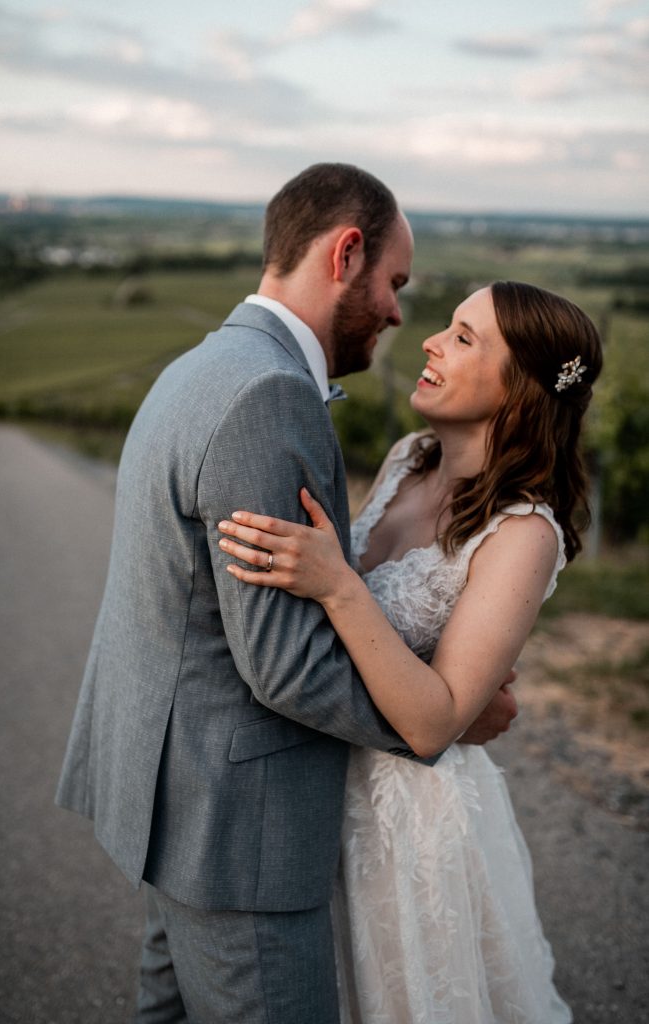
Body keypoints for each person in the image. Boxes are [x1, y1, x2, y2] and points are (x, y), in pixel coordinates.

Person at [55, 163, 516, 1023]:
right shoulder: (271, 394)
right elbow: (283, 667)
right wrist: (440, 720)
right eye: (394, 283)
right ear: (346, 253)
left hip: (173, 795)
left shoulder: (205, 363)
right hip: (237, 828)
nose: (396, 313)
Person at [218, 279, 603, 1022]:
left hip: (406, 819)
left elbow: (432, 725)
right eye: (446, 326)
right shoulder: (406, 459)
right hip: (323, 776)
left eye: (464, 338)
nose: (429, 341)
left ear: (520, 386)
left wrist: (338, 587)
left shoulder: (524, 533)